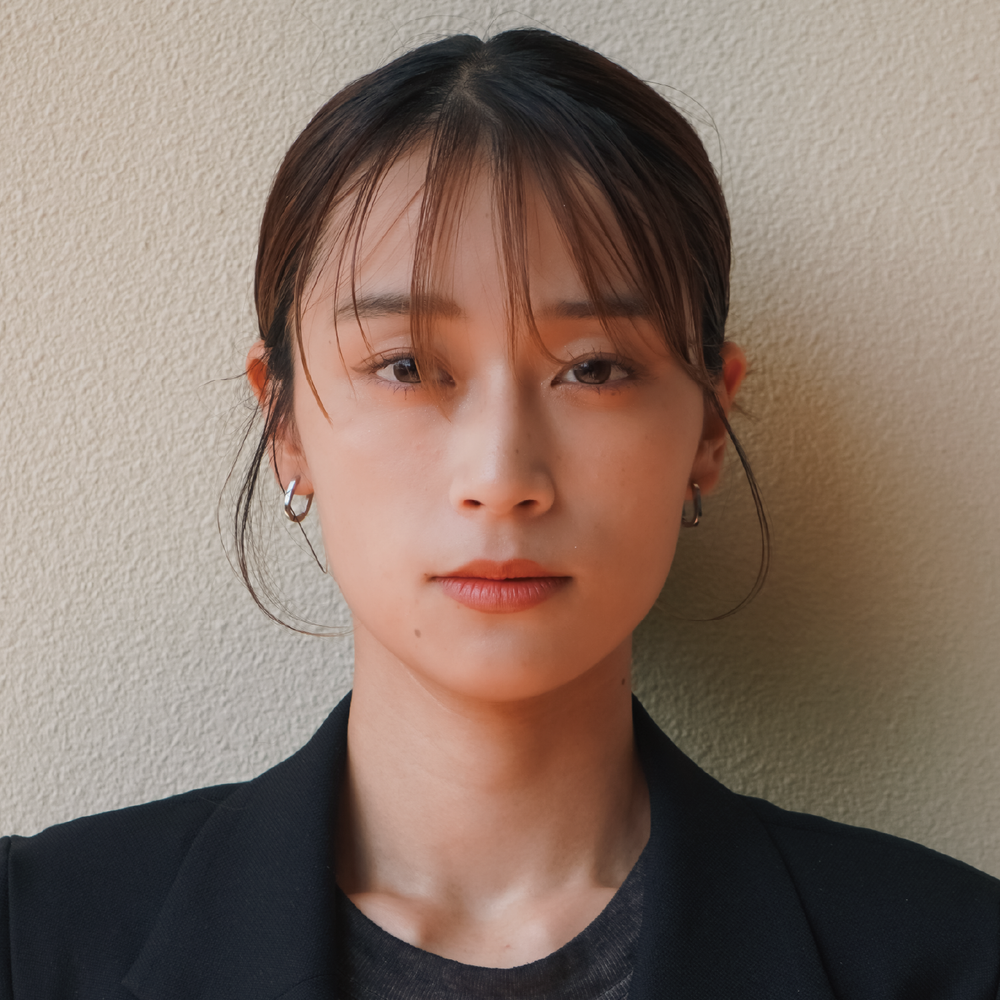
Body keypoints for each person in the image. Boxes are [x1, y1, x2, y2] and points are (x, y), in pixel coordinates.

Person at [2, 28, 998, 1000]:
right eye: (405, 366)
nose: (502, 475)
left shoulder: (951, 959)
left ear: (707, 425)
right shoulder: (33, 939)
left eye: (594, 369)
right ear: (285, 422)